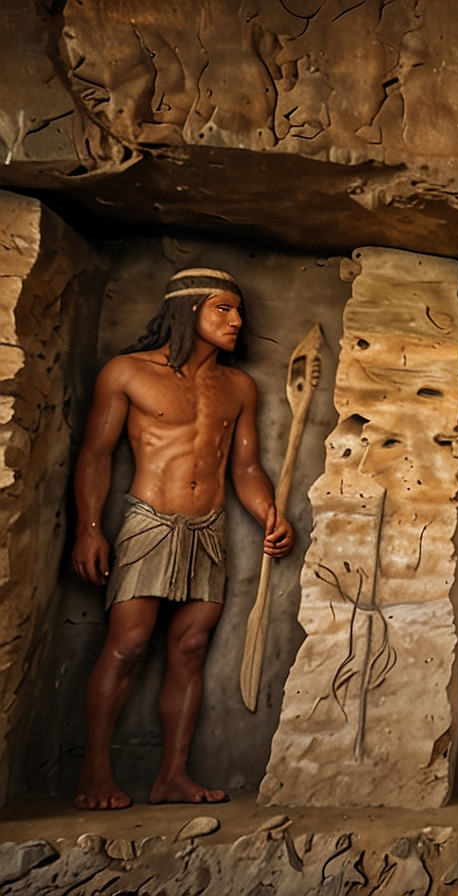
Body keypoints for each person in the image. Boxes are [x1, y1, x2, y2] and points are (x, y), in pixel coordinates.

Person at [71, 268, 293, 810]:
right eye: (224, 309)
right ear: (189, 309)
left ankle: (173, 776)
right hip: (148, 521)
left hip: (209, 527)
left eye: (239, 310)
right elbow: (97, 456)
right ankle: (94, 776)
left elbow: (245, 469)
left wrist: (269, 512)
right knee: (127, 644)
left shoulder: (239, 387)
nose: (237, 321)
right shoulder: (127, 373)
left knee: (190, 648)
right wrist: (90, 529)